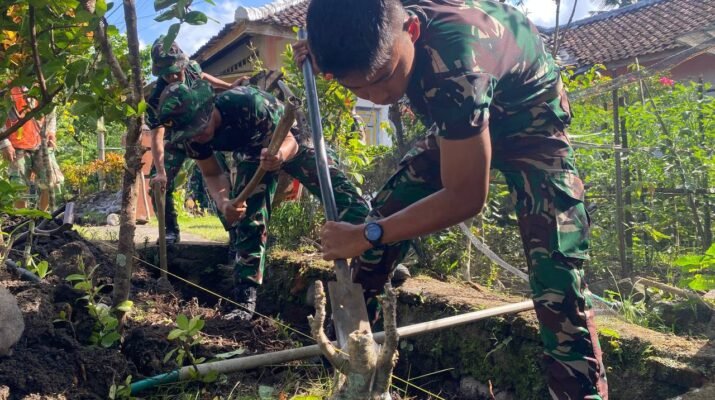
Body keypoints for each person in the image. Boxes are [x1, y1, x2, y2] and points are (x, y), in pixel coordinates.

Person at [294, 1, 608, 399]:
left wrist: (367, 234)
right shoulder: (374, 29)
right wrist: (320, 55)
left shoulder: (456, 69)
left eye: (383, 77)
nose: (377, 95)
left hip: (529, 118)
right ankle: (358, 367)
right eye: (357, 88)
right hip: (462, 121)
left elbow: (466, 196)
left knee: (557, 279)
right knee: (385, 217)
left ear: (411, 31)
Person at [158, 79, 370, 321]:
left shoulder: (248, 102)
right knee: (249, 218)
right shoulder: (192, 138)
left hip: (292, 139)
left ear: (209, 108)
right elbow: (212, 173)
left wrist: (279, 155)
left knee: (339, 192)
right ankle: (244, 300)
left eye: (200, 129)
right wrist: (224, 202)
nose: (198, 137)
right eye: (191, 133)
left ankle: (376, 250)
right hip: (251, 151)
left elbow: (289, 140)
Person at [146, 36, 244, 245]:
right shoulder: (155, 98)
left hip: (200, 133)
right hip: (175, 139)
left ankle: (235, 231)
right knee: (158, 183)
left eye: (177, 71)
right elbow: (157, 136)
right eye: (168, 74)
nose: (174, 76)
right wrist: (161, 172)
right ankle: (170, 231)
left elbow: (204, 77)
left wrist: (228, 86)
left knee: (221, 178)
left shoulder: (191, 68)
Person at [0, 86, 53, 210]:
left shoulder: (43, 83)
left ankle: (40, 216)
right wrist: (4, 142)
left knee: (51, 181)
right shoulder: (7, 86)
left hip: (40, 142)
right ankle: (22, 218)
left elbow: (51, 110)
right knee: (19, 186)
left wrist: (51, 132)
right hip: (15, 146)